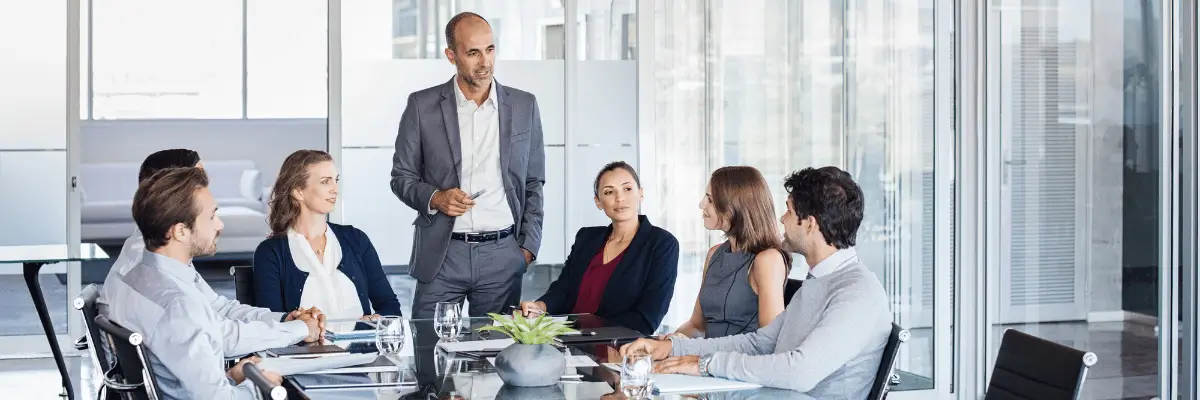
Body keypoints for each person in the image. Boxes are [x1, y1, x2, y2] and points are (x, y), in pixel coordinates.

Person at [619, 167, 892, 398]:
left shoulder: (857, 292)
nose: (782, 219)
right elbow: (761, 343)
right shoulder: (818, 281)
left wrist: (705, 365)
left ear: (809, 224)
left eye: (788, 211)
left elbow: (801, 372)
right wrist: (673, 348)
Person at [98, 167, 327, 399]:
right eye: (212, 216)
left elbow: (210, 339)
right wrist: (260, 385)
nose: (220, 225)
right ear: (180, 231)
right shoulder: (178, 304)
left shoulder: (135, 277)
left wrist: (232, 377)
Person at [390, 11, 546, 319]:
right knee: (428, 354)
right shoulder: (422, 106)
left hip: (502, 254)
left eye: (489, 49)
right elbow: (401, 177)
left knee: (492, 357)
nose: (485, 62)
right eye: (473, 52)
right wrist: (437, 197)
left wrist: (527, 248)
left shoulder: (524, 105)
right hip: (442, 253)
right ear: (451, 55)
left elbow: (533, 182)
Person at [518, 162, 680, 335]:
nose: (619, 198)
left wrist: (584, 332)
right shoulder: (587, 238)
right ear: (598, 202)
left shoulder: (662, 243)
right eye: (609, 192)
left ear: (641, 193)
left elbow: (647, 318)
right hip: (566, 341)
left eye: (627, 189)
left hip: (616, 348)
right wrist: (540, 307)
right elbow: (564, 289)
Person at [254, 150, 403, 320]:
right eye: (325, 182)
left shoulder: (356, 239)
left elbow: (390, 307)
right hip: (307, 347)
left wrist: (373, 320)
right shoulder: (270, 252)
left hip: (360, 345)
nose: (335, 189)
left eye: (336, 180)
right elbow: (271, 322)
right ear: (298, 191)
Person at [670, 166, 790, 339]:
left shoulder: (768, 260)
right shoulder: (714, 254)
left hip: (736, 363)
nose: (701, 204)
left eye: (710, 200)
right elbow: (697, 326)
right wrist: (668, 342)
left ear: (736, 206)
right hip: (703, 359)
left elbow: (768, 341)